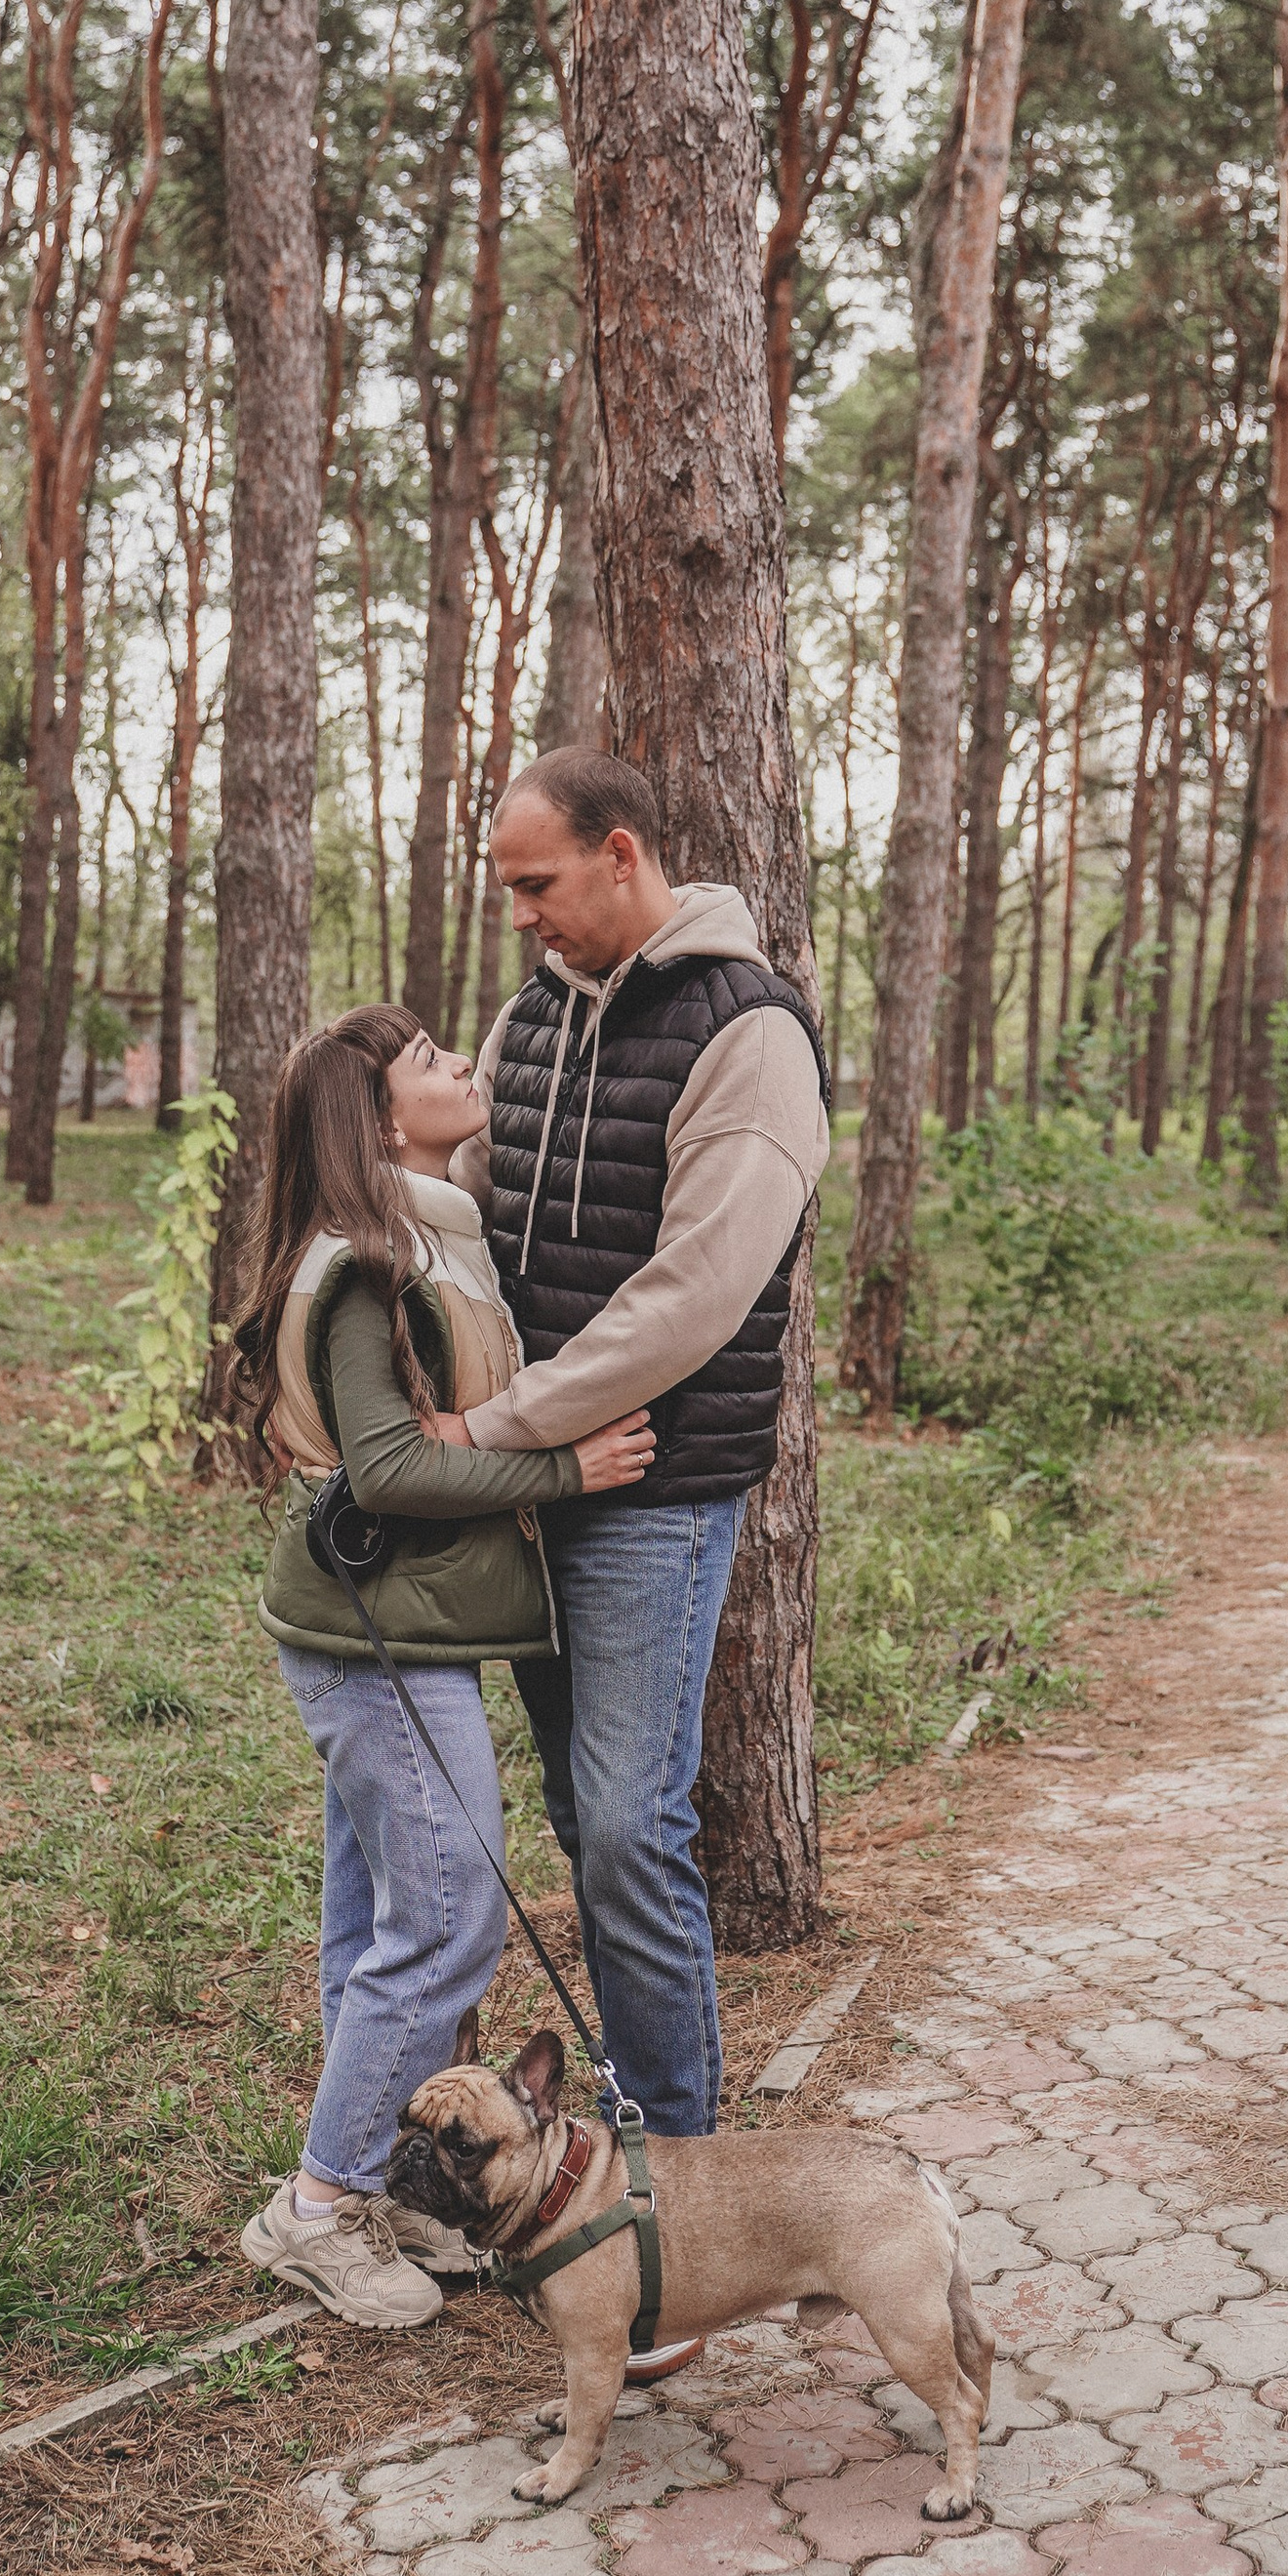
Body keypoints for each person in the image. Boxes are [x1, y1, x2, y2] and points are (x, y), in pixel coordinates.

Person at [445, 747, 830, 2328]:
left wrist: (510, 1420)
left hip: (650, 1495)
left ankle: (681, 2205)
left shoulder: (749, 1032)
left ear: (622, 855)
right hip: (534, 1478)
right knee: (583, 1818)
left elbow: (693, 1296)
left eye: (540, 886)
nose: (522, 919)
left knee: (625, 1830)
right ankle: (606, 2171)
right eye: (508, 894)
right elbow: (469, 1191)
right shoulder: (534, 1010)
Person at [226, 1005, 657, 2332]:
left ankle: (372, 2191)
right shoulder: (368, 1269)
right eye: (429, 1062)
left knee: (378, 1928)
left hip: (387, 1628)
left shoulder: (417, 1238)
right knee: (450, 1919)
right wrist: (564, 1469)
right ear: (377, 1116)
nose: (463, 1064)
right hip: (378, 1637)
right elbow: (391, 1467)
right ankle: (319, 2204)